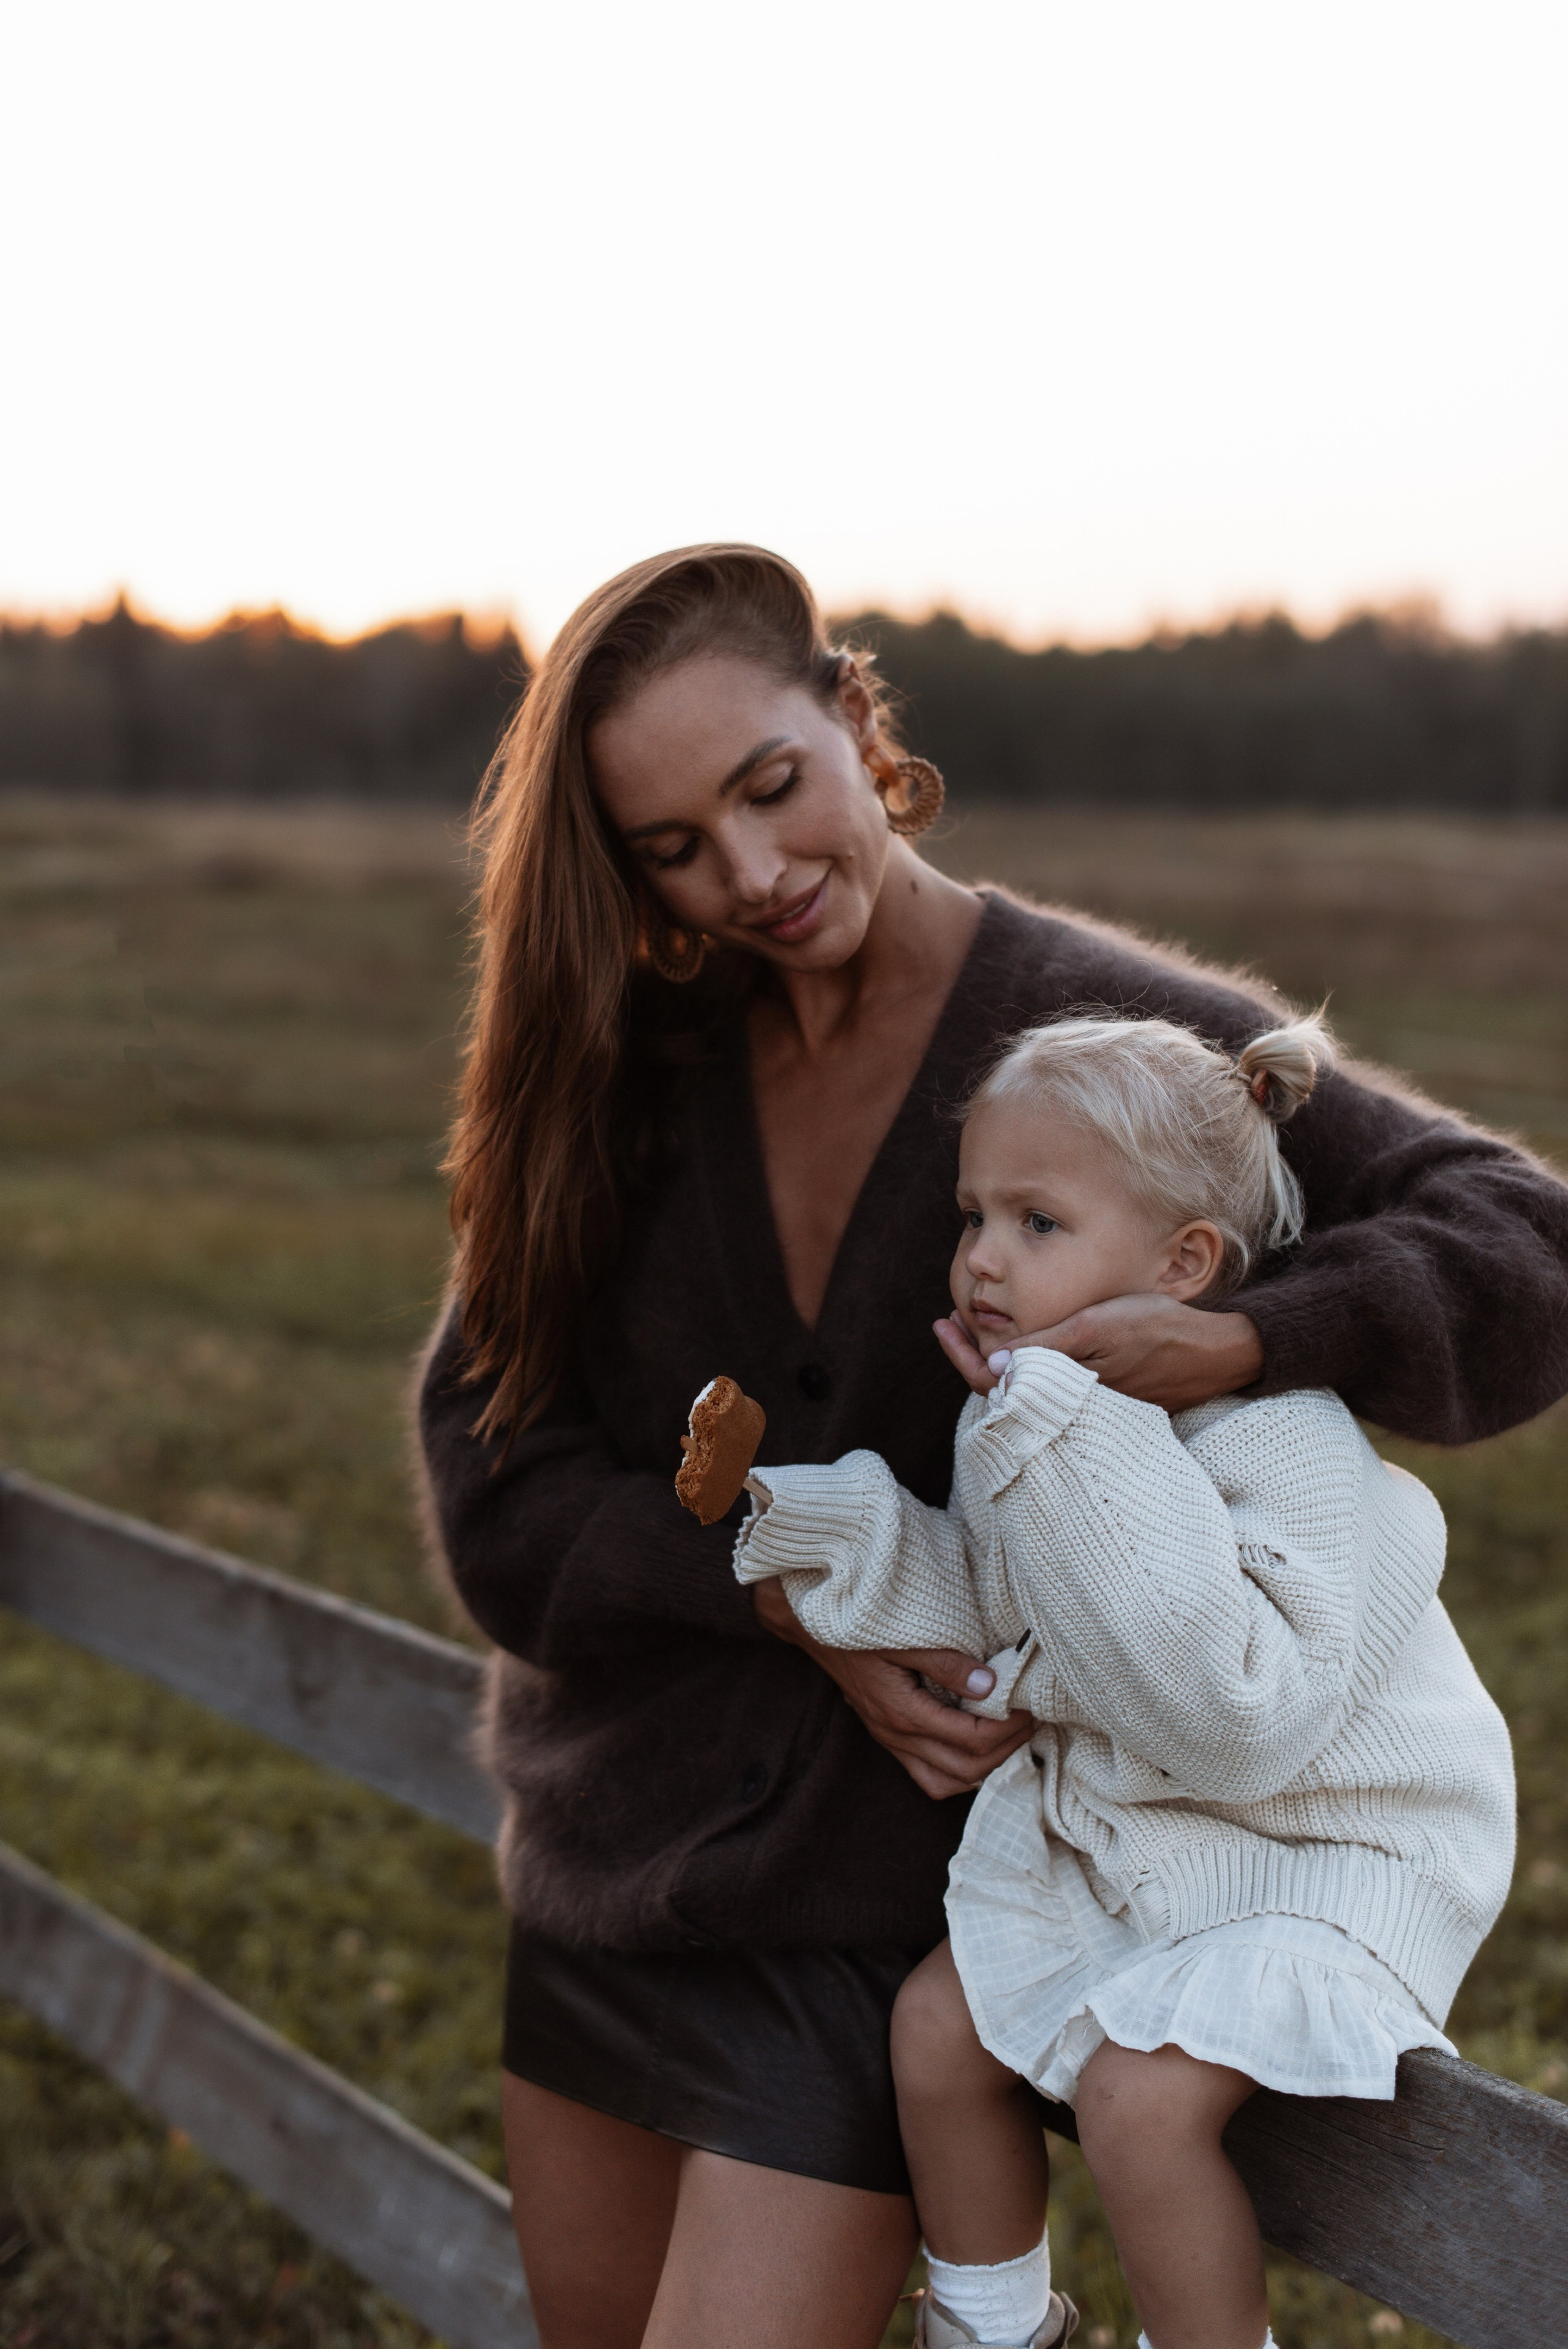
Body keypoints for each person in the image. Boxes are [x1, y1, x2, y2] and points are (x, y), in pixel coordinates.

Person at [413, 543, 1568, 2349]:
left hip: (877, 1914)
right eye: (673, 847)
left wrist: (1248, 1335)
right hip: (603, 1864)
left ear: (859, 723)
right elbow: (499, 1488)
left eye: (773, 786)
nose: (752, 874)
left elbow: (1521, 1242)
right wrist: (782, 1598)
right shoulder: (623, 1087)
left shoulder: (1110, 1056)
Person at [731, 1010, 1516, 2349]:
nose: (980, 1257)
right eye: (974, 1213)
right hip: (1167, 1835)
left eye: (1037, 1223)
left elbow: (1235, 1713)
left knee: (1141, 2103)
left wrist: (1041, 1426)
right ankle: (988, 2327)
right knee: (935, 2026)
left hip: (1327, 1844)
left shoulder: (1282, 1437)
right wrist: (828, 1533)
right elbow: (1000, 1606)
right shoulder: (1030, 1421)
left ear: (1183, 1263)